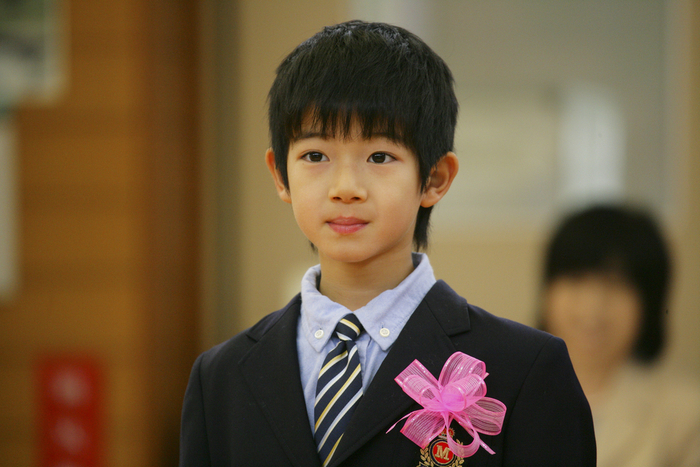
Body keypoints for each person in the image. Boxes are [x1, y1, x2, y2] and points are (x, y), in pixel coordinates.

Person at [179, 20, 595, 467]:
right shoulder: (219, 379)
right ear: (280, 174)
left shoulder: (527, 368)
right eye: (315, 155)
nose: (345, 187)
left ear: (434, 178)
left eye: (380, 156)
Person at [540, 204, 700, 467]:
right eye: (576, 279)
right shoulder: (505, 395)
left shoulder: (686, 413)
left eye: (616, 284)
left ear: (649, 301)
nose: (593, 306)